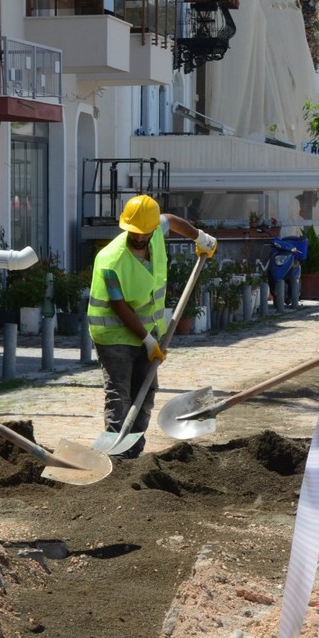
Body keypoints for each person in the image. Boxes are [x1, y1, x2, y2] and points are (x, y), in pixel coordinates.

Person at [88, 194, 217, 459]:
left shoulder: (155, 230)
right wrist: (148, 341)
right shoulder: (110, 260)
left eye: (144, 232)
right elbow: (118, 306)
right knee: (119, 392)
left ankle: (133, 452)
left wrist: (199, 237)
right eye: (133, 232)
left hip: (147, 328)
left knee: (145, 392)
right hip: (112, 333)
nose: (138, 237)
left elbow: (171, 220)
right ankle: (115, 456)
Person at [267, 235, 306, 311]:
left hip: (289, 259)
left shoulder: (295, 252)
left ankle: (293, 298)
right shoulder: (277, 249)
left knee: (294, 274)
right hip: (280, 258)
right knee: (270, 273)